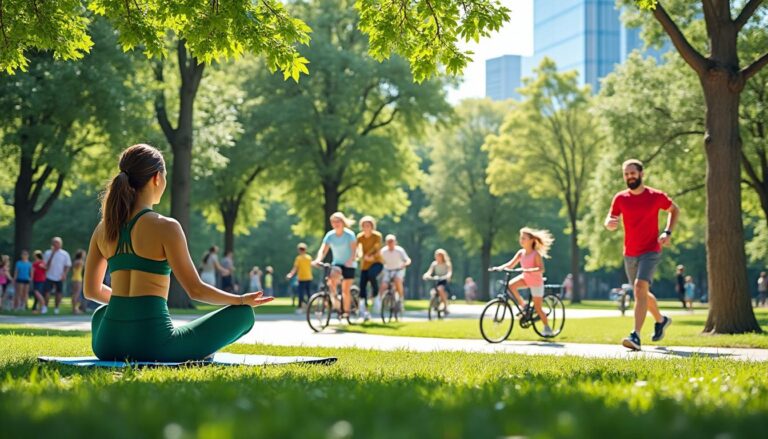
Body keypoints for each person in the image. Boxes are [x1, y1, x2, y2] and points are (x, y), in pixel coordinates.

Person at [83, 144, 272, 362]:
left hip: (107, 344)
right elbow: (195, 290)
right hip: (154, 346)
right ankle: (201, 350)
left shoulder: (103, 228)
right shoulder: (166, 226)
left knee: (102, 312)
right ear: (157, 178)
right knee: (244, 314)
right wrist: (240, 299)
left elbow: (91, 291)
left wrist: (125, 305)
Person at [605, 158, 679, 351]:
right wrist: (609, 223)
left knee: (639, 288)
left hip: (651, 250)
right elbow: (611, 217)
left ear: (641, 174)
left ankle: (635, 336)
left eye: (633, 173)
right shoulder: (620, 198)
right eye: (626, 174)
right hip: (630, 252)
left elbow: (674, 210)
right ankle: (661, 320)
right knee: (641, 292)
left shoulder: (655, 196)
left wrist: (667, 232)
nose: (630, 177)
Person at [491, 228, 555, 337]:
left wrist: (529, 270)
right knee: (510, 285)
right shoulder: (521, 253)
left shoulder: (535, 254)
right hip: (525, 278)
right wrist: (499, 268)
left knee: (538, 308)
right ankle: (524, 305)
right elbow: (510, 264)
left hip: (536, 282)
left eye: (524, 238)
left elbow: (541, 269)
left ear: (531, 240)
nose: (521, 240)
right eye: (521, 238)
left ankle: (547, 328)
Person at [314, 212, 357, 316]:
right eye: (333, 222)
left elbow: (354, 251)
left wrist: (350, 261)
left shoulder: (349, 235)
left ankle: (346, 312)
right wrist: (318, 259)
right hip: (337, 263)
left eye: (338, 221)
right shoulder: (330, 235)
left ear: (343, 222)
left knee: (345, 290)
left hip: (349, 264)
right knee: (331, 280)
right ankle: (336, 302)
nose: (336, 224)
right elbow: (323, 250)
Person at [356, 216, 384, 321]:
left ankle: (376, 297)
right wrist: (361, 256)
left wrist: (372, 256)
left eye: (368, 225)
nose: (366, 227)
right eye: (364, 226)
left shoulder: (377, 236)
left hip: (377, 262)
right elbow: (358, 249)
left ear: (372, 226)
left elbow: (377, 248)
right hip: (365, 264)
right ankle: (364, 309)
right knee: (362, 286)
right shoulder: (360, 237)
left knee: (372, 275)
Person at [380, 234, 411, 309]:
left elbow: (407, 259)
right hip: (388, 270)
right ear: (386, 242)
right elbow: (379, 260)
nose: (390, 243)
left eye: (392, 241)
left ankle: (400, 298)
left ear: (395, 242)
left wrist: (405, 264)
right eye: (388, 241)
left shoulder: (400, 250)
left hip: (398, 269)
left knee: (397, 280)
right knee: (384, 285)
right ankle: (380, 302)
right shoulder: (383, 251)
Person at [43, 237, 72, 315]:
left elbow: (67, 265)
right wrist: (52, 254)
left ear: (61, 244)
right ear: (52, 244)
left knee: (58, 293)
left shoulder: (65, 254)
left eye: (58, 243)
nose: (56, 244)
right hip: (49, 276)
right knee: (47, 292)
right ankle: (45, 307)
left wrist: (64, 274)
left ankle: (56, 308)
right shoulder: (47, 253)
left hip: (59, 277)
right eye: (55, 243)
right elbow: (45, 265)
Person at [423, 249, 453, 313]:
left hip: (444, 280)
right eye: (436, 256)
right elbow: (429, 271)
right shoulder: (434, 264)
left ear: (442, 256)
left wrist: (447, 276)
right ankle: (435, 303)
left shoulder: (447, 264)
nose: (437, 257)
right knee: (433, 292)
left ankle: (445, 306)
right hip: (437, 280)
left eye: (439, 256)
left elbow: (449, 272)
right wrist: (426, 275)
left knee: (440, 289)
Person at [286, 243, 313, 311]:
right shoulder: (309, 257)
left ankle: (300, 307)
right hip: (309, 277)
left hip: (302, 278)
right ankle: (309, 307)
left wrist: (290, 274)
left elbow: (295, 268)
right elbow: (311, 265)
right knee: (308, 294)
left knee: (301, 294)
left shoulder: (298, 258)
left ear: (299, 250)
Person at [70, 250, 86, 314]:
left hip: (74, 278)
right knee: (76, 295)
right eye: (84, 254)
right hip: (78, 279)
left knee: (74, 294)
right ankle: (75, 310)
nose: (84, 256)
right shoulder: (80, 261)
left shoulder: (75, 261)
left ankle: (74, 309)